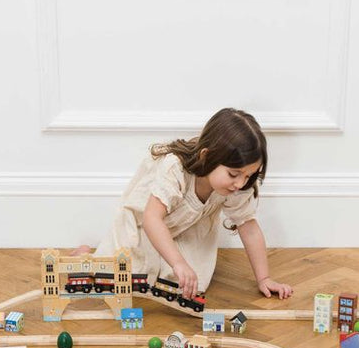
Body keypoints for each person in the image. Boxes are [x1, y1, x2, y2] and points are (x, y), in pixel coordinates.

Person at [91, 107, 293, 300]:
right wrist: (178, 262)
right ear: (206, 156)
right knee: (117, 274)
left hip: (185, 230)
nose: (240, 183)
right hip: (143, 226)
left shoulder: (237, 185)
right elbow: (152, 218)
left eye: (248, 175)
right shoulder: (175, 168)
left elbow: (248, 227)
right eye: (233, 174)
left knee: (192, 283)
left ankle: (168, 262)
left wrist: (264, 278)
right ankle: (88, 254)